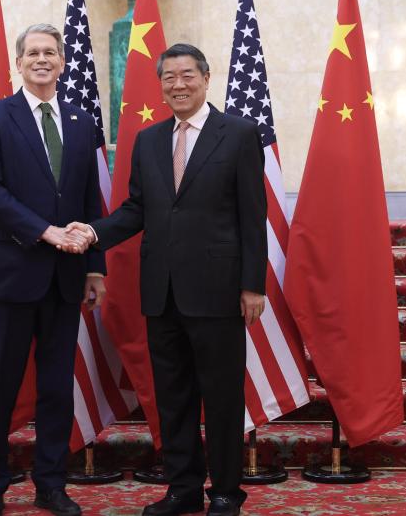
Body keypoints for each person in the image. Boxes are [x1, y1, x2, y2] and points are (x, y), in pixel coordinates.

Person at [67, 43, 267, 516]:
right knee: (173, 399)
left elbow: (252, 215)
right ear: (160, 85)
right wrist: (94, 232)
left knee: (222, 398)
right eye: (169, 78)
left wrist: (252, 285)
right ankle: (183, 488)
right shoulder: (149, 140)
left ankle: (225, 492)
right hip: (162, 293)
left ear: (206, 78)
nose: (178, 85)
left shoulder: (238, 134)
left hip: (219, 292)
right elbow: (138, 209)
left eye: (187, 75)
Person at [0, 23, 105, 516]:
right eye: (33, 53)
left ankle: (51, 483)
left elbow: (89, 197)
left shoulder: (82, 121)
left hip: (65, 279)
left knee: (56, 388)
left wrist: (95, 268)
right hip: (8, 274)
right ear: (18, 63)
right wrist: (44, 231)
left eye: (50, 52)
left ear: (63, 62)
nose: (42, 60)